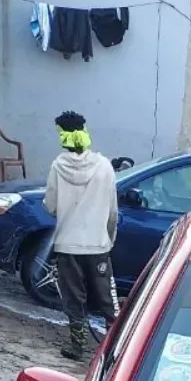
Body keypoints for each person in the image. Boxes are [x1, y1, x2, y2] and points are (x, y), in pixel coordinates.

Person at [44, 110, 119, 362]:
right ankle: (115, 349)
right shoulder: (105, 166)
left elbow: (51, 206)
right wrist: (109, 239)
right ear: (85, 132)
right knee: (107, 300)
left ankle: (77, 346)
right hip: (98, 245)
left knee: (74, 298)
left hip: (68, 245)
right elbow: (113, 211)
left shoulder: (57, 167)